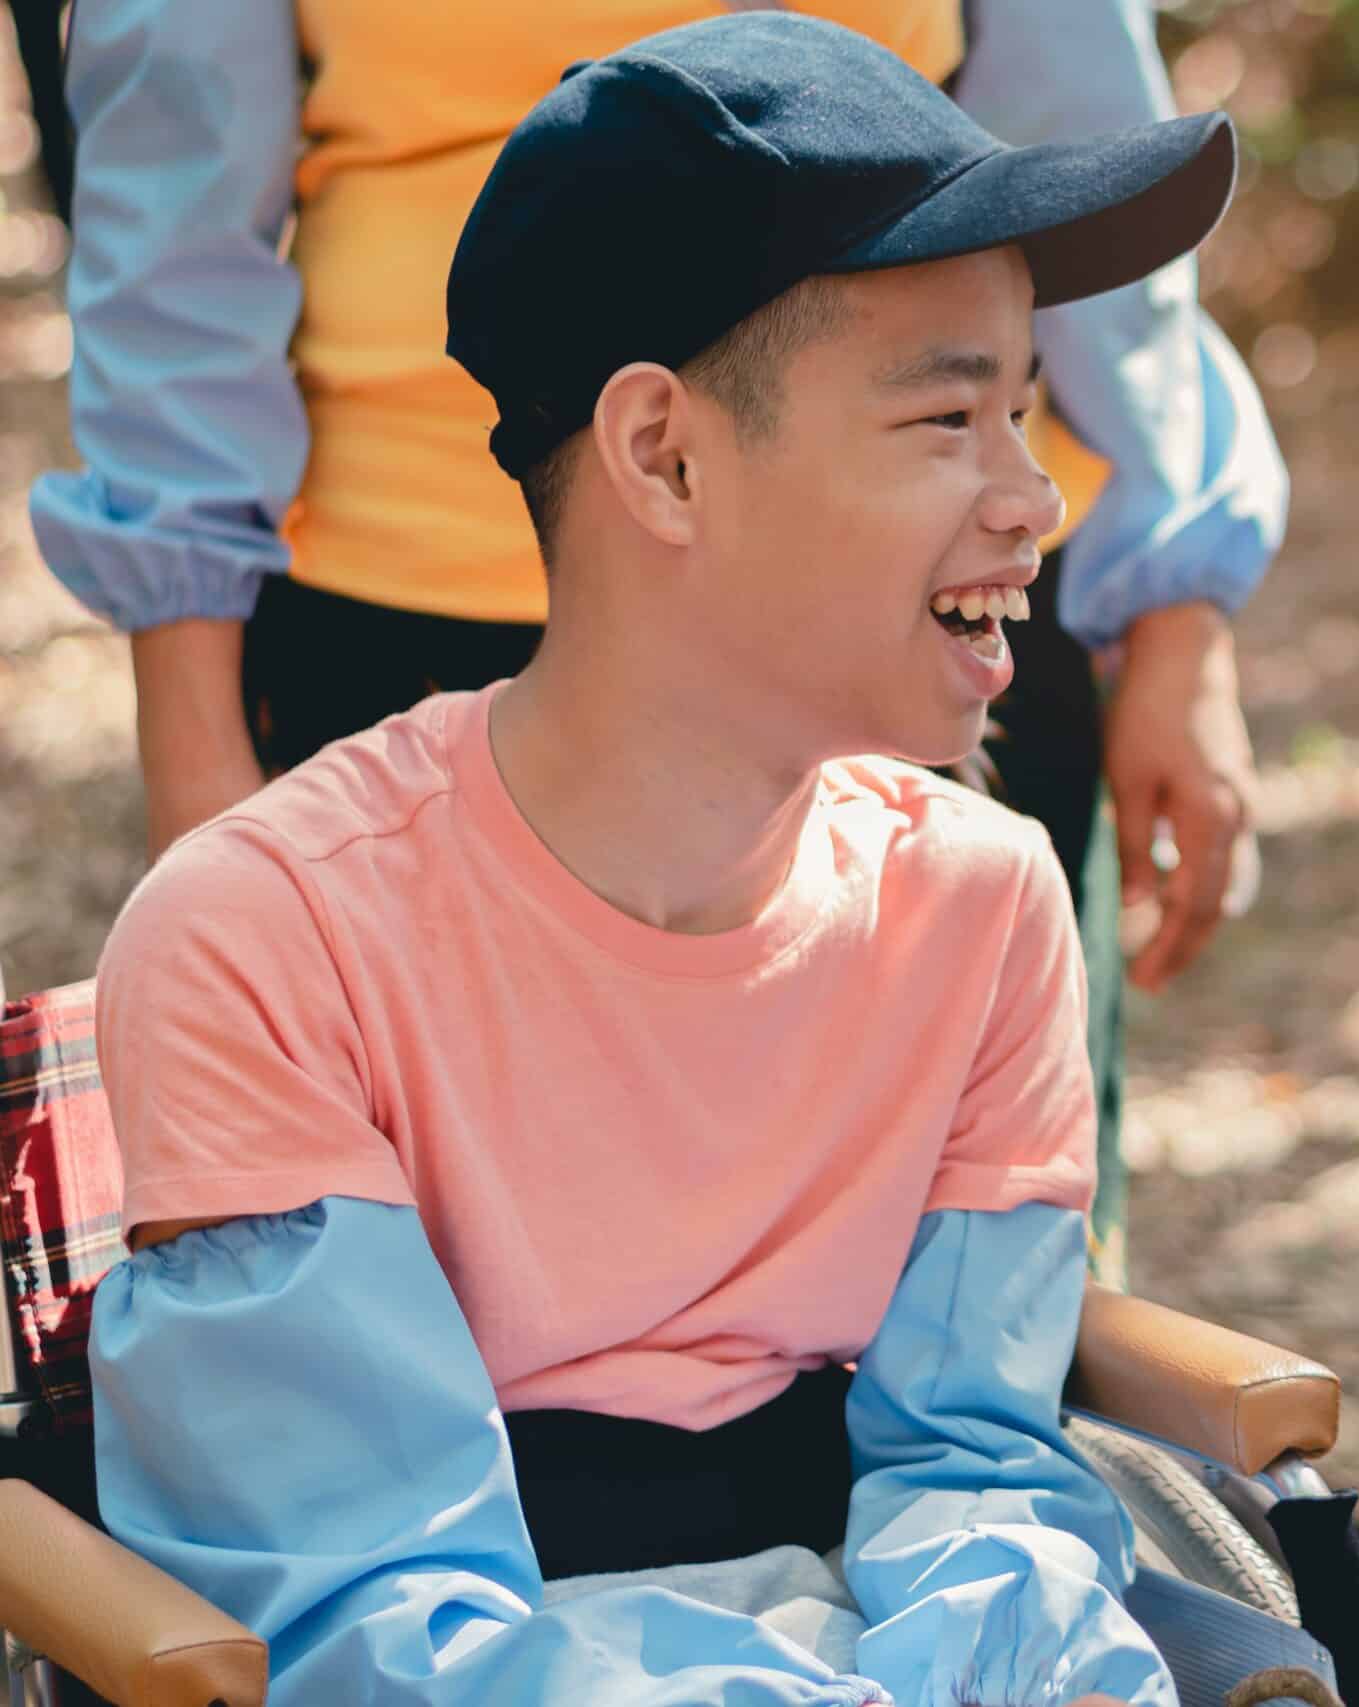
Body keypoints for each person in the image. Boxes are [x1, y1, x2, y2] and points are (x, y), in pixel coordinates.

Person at [82, 18, 1290, 1703]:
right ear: (663, 455)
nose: (1035, 496)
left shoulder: (986, 904)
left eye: (1025, 411)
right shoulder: (264, 943)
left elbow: (982, 1469)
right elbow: (376, 1625)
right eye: (951, 417)